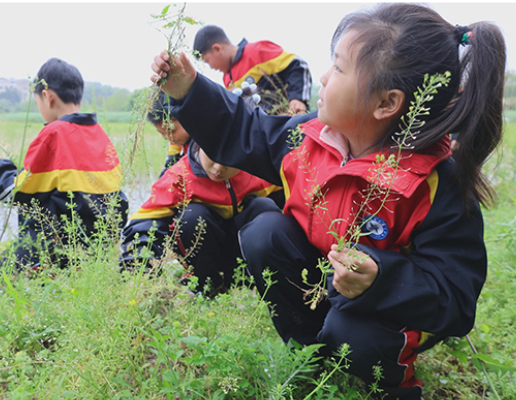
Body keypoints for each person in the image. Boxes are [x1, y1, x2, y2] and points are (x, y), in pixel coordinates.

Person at [150, 3, 505, 399]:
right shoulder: (308, 138)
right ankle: (310, 354)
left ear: (387, 103)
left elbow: (456, 297)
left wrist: (380, 278)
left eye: (338, 68)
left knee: (352, 335)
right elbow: (244, 129)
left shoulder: (436, 181)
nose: (322, 76)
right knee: (263, 230)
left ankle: (395, 383)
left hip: (392, 309)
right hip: (329, 284)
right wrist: (190, 90)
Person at [0, 58, 129, 272]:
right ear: (77, 100)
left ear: (47, 97)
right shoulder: (100, 135)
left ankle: (34, 268)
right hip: (97, 248)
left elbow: (17, 192)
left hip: (57, 247)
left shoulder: (53, 133)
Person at [120, 140, 284, 296]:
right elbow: (145, 223)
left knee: (265, 208)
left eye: (230, 161)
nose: (218, 168)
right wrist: (138, 271)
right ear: (199, 144)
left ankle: (250, 282)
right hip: (204, 250)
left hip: (240, 249)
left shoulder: (259, 171)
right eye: (212, 156)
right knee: (192, 216)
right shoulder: (179, 177)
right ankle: (205, 284)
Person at [193, 24, 313, 115]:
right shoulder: (227, 79)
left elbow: (297, 65)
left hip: (289, 120)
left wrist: (297, 98)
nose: (211, 67)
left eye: (207, 62)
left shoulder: (256, 52)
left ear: (217, 49)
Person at [147, 91, 192, 177]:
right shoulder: (176, 143)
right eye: (162, 133)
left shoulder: (203, 146)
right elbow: (170, 168)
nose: (167, 137)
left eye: (172, 131)